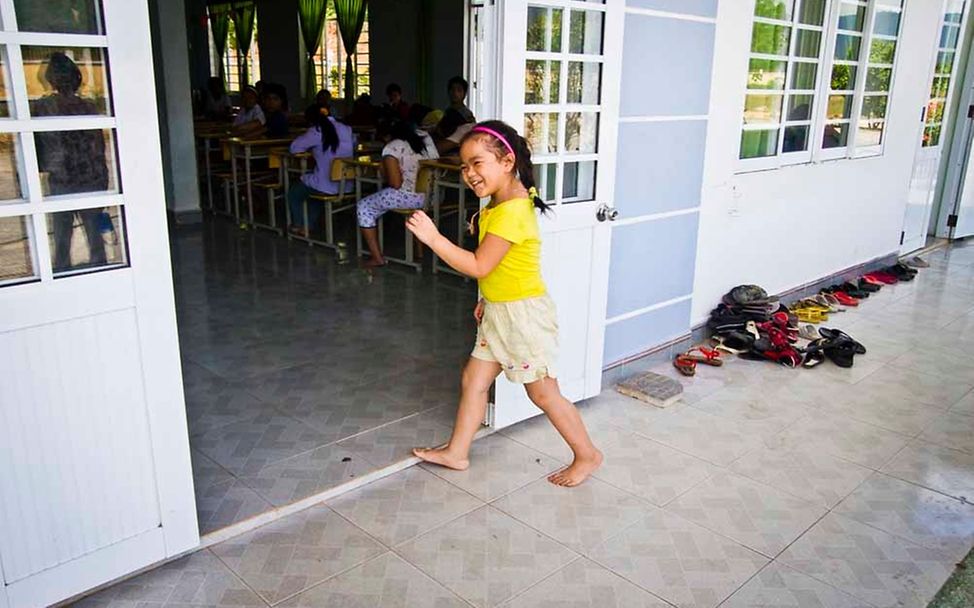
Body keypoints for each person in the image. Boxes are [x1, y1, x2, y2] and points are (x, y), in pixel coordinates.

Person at [404, 120, 602, 487]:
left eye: (478, 163)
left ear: (507, 161)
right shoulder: (499, 203)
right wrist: (488, 299)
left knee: (542, 391)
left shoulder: (512, 211)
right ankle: (457, 453)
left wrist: (433, 238)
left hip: (522, 316)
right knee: (474, 379)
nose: (469, 173)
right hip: (499, 311)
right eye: (464, 166)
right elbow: (495, 270)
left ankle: (587, 454)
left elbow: (480, 263)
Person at [33, 52, 109, 272]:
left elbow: (37, 149)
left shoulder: (43, 108)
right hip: (88, 179)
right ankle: (100, 271)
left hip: (64, 179)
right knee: (94, 236)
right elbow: (98, 149)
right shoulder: (88, 108)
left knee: (62, 236)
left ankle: (63, 273)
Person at [357, 119, 438, 267]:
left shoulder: (392, 147)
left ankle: (377, 258)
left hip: (409, 197)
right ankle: (419, 252)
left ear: (389, 135)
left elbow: (395, 183)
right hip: (434, 196)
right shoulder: (425, 138)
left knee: (364, 207)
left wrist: (384, 170)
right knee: (411, 207)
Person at [287, 103, 356, 237]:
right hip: (346, 184)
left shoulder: (316, 130)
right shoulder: (346, 129)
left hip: (326, 183)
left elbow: (294, 148)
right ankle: (307, 226)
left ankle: (299, 224)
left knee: (295, 192)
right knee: (314, 194)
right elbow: (354, 145)